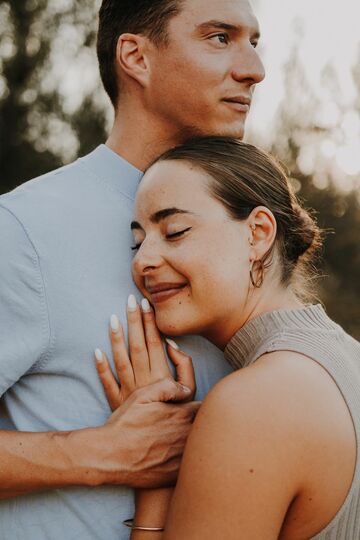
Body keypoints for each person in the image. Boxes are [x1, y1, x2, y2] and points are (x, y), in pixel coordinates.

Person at [0, 0, 264, 538]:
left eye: (254, 43)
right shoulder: (25, 229)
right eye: (220, 37)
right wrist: (100, 453)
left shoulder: (249, 226)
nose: (254, 69)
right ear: (135, 57)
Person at [98, 136, 360, 539]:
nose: (142, 260)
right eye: (137, 241)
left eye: (175, 231)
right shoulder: (346, 359)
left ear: (257, 233)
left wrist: (153, 481)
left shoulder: (255, 402)